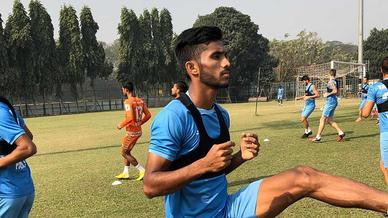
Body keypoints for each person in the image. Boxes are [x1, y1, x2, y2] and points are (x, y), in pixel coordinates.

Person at [143, 26, 388, 217]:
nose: (227, 62)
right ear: (193, 68)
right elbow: (151, 185)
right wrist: (203, 164)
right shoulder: (173, 117)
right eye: (216, 57)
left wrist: (239, 158)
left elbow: (213, 172)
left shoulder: (220, 114)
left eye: (225, 55)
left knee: (305, 176)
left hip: (228, 209)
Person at [0, 96, 37, 218]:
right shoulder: (5, 107)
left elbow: (27, 147)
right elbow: (28, 136)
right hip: (23, 189)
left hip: (6, 191)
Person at [115, 82, 151, 181]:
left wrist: (121, 125)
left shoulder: (127, 102)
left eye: (122, 89)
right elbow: (148, 115)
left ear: (126, 89)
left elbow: (130, 118)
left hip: (132, 132)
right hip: (138, 130)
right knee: (126, 150)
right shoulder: (140, 101)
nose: (122, 91)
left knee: (124, 152)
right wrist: (139, 123)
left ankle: (142, 170)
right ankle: (125, 172)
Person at [362, 56, 388, 186]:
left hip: (386, 132)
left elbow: (365, 113)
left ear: (381, 70)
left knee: (385, 167)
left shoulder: (376, 87)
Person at [311, 69, 345, 142]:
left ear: (329, 74)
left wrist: (327, 94)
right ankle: (341, 133)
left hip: (331, 102)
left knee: (322, 119)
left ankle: (318, 137)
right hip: (333, 101)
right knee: (329, 120)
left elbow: (335, 91)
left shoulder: (331, 82)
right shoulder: (336, 81)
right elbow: (337, 92)